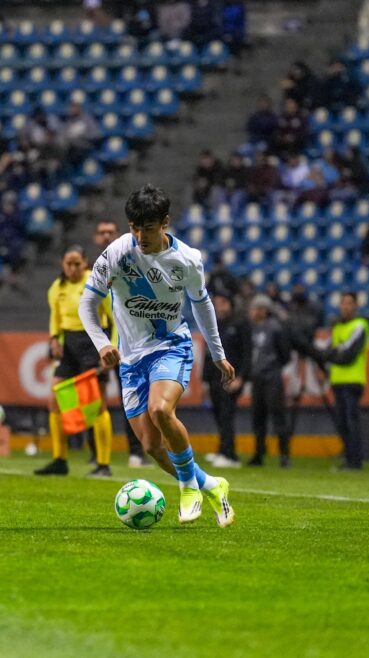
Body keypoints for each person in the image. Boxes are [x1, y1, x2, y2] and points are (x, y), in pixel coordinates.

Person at [79, 185, 236, 527]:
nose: (139, 236)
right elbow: (86, 304)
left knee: (160, 409)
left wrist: (217, 352)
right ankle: (210, 485)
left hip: (171, 346)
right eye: (134, 227)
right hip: (131, 359)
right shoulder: (117, 253)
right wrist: (103, 344)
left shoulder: (187, 260)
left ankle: (187, 488)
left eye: (147, 228)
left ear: (164, 223)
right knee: (150, 445)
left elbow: (202, 304)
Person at [34, 245, 115, 477]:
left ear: (85, 263)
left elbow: (115, 319)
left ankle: (103, 464)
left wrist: (111, 348)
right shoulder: (56, 288)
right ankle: (60, 460)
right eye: (68, 264)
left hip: (93, 343)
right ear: (62, 264)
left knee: (98, 405)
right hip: (68, 345)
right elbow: (55, 320)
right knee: (54, 400)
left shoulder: (96, 282)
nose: (72, 268)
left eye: (77, 264)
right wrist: (54, 339)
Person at [93, 219, 148, 468]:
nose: (106, 237)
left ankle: (137, 451)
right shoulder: (91, 271)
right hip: (100, 341)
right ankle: (96, 453)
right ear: (96, 238)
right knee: (96, 398)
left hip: (124, 341)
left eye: (110, 233)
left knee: (133, 397)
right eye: (102, 233)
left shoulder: (131, 263)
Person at [321, 293, 369, 470]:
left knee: (351, 421)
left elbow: (348, 355)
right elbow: (328, 351)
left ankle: (355, 461)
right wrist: (333, 354)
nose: (345, 306)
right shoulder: (337, 328)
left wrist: (332, 355)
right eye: (343, 303)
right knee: (342, 422)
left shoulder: (360, 325)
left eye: (349, 303)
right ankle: (349, 458)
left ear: (356, 306)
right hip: (337, 380)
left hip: (353, 379)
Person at [203, 294, 250, 468]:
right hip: (215, 378)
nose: (219, 307)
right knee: (218, 415)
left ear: (230, 304)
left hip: (231, 378)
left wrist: (242, 377)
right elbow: (208, 354)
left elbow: (247, 353)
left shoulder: (240, 324)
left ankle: (230, 455)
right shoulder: (215, 324)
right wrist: (205, 380)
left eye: (223, 303)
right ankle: (223, 450)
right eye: (217, 303)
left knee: (226, 414)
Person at [246, 294, 293, 467]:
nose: (255, 312)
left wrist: (273, 366)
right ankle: (259, 454)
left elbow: (285, 354)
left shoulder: (275, 328)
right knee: (258, 417)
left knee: (278, 416)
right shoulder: (251, 328)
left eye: (259, 308)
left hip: (272, 377)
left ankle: (284, 455)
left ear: (265, 310)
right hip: (257, 377)